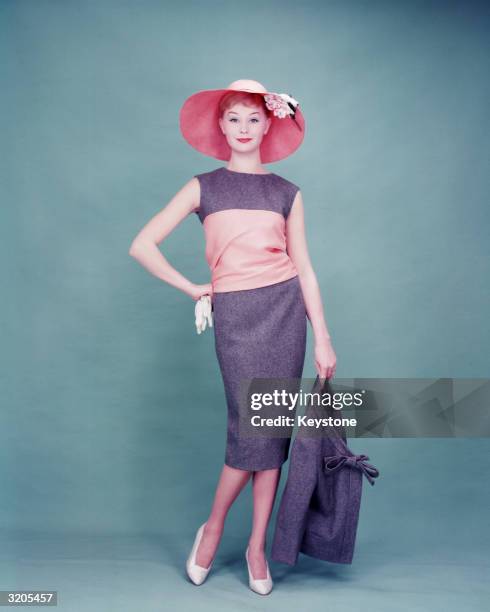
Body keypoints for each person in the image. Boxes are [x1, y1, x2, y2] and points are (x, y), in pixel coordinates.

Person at [129, 79, 337, 595]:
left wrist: (323, 338)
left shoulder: (287, 192)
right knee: (252, 430)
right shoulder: (203, 186)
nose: (243, 127)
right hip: (238, 316)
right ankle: (215, 526)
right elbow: (143, 244)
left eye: (252, 118)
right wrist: (194, 288)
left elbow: (305, 268)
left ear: (269, 124)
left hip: (285, 311)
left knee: (272, 430)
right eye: (234, 118)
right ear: (221, 126)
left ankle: (256, 547)